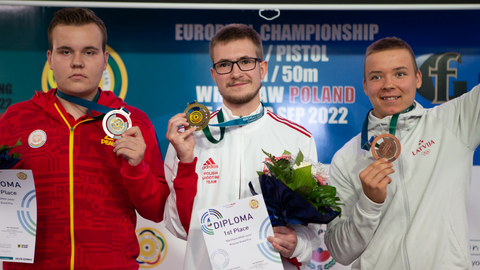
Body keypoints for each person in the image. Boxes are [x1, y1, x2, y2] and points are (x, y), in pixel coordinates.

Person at [0, 7, 195, 270]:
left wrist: (137, 167)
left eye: (88, 52)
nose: (77, 62)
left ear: (104, 60)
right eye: (65, 51)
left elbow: (156, 210)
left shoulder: (133, 122)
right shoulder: (16, 119)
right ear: (50, 58)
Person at [163, 23, 321, 270]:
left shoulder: (297, 139)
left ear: (263, 68)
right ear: (214, 74)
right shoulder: (189, 138)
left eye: (246, 61)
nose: (236, 73)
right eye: (224, 64)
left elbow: (311, 229)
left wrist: (297, 244)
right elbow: (178, 226)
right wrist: (185, 162)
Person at [325, 36, 480, 269]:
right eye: (377, 76)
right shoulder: (346, 158)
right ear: (365, 85)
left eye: (399, 74)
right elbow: (340, 252)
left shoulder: (455, 121)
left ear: (418, 78)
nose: (388, 84)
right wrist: (368, 204)